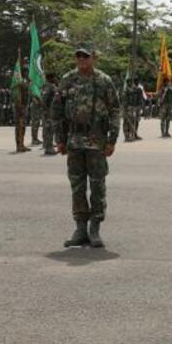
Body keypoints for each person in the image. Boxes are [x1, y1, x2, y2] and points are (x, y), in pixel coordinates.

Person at [53, 43, 121, 248]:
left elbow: (115, 111)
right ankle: (80, 228)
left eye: (86, 56)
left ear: (94, 58)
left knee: (98, 185)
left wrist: (112, 140)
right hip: (74, 140)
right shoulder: (67, 80)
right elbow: (57, 111)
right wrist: (60, 139)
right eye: (79, 56)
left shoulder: (104, 81)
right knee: (77, 186)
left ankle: (95, 228)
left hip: (96, 140)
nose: (82, 59)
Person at [13, 62, 31, 153]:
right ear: (23, 72)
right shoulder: (21, 81)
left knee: (23, 126)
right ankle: (19, 145)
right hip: (20, 106)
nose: (28, 73)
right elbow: (20, 89)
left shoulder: (25, 81)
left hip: (24, 106)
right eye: (27, 72)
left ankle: (22, 144)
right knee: (19, 126)